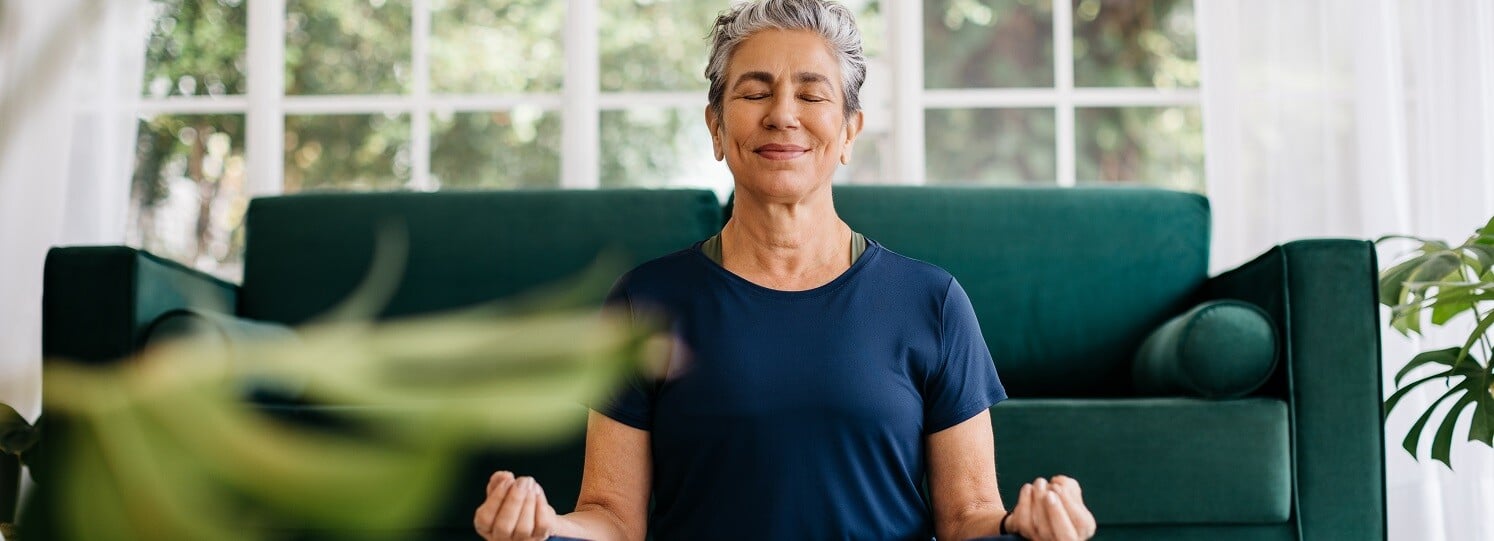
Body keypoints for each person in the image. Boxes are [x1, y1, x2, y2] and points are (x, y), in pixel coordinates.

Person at [472, 1, 1096, 539]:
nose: (783, 115)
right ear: (717, 127)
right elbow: (611, 516)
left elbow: (968, 518)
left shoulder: (932, 301)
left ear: (849, 130)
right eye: (754, 91)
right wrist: (547, 528)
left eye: (812, 93)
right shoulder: (644, 301)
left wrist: (1023, 526)